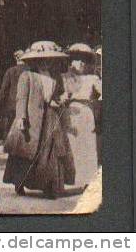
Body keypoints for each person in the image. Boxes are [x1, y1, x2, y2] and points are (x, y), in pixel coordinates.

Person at [3, 41, 75, 199]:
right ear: (35, 61)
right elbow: (21, 98)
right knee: (26, 152)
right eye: (42, 59)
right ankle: (19, 182)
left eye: (49, 59)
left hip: (50, 118)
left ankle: (50, 185)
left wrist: (61, 100)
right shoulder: (27, 76)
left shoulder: (55, 78)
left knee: (51, 151)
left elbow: (54, 99)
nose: (46, 62)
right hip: (31, 120)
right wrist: (21, 117)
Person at [61, 43, 101, 190]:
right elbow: (63, 94)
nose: (80, 63)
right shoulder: (67, 78)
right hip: (71, 111)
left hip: (86, 112)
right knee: (71, 145)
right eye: (77, 59)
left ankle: (87, 180)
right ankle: (70, 178)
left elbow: (101, 92)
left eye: (83, 60)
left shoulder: (92, 78)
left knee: (87, 146)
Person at [0, 50, 28, 139]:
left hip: (12, 106)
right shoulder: (30, 71)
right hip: (26, 104)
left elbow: (3, 90)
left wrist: (0, 106)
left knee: (10, 129)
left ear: (16, 58)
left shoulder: (10, 71)